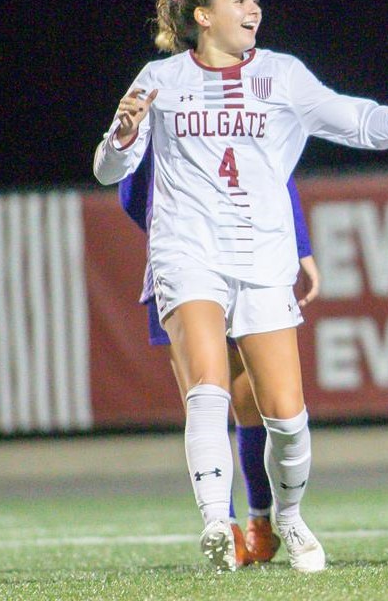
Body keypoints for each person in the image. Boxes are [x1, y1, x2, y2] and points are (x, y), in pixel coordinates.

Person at [93, 0, 388, 571]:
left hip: (263, 258)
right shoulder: (160, 79)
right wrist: (123, 136)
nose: (254, 9)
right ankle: (218, 523)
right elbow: (111, 172)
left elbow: (361, 124)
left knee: (286, 417)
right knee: (208, 393)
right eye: (240, 0)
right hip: (189, 253)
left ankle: (288, 518)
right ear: (203, 16)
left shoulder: (283, 77)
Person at [119, 158, 319, 564]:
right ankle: (225, 528)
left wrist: (300, 246)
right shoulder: (168, 101)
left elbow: (275, 168)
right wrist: (176, 230)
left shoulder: (248, 103)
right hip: (190, 262)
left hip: (246, 258)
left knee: (255, 404)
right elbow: (132, 183)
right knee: (206, 398)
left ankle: (260, 522)